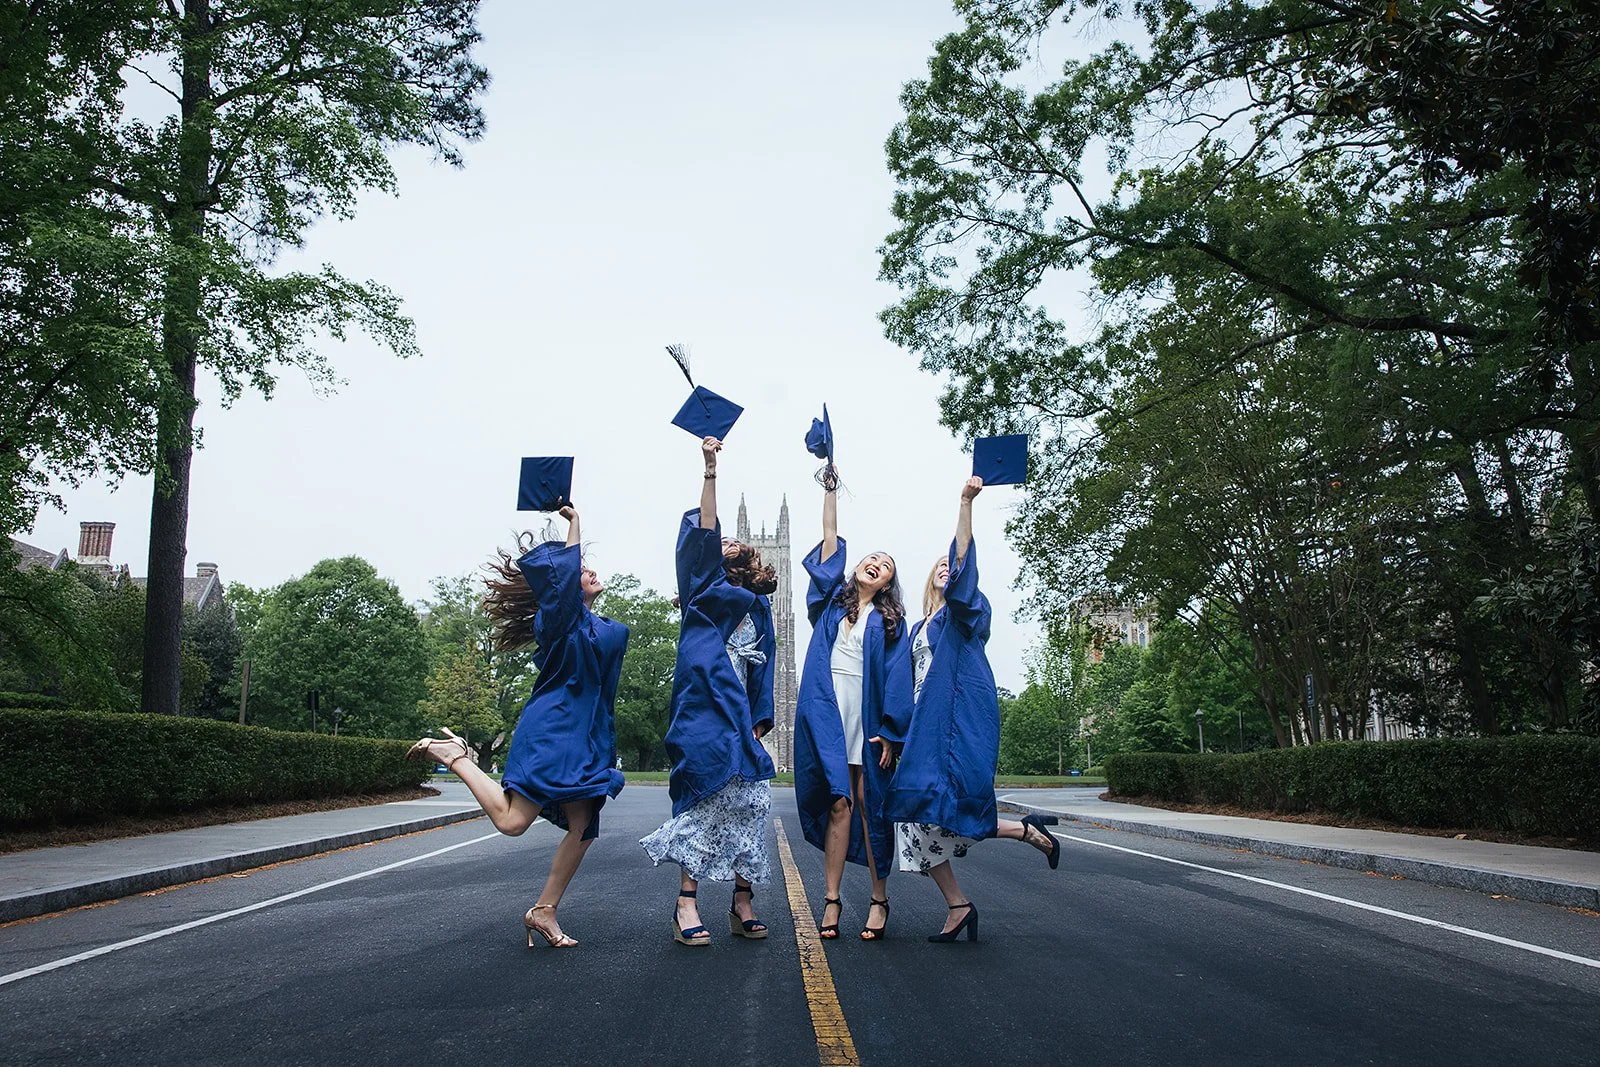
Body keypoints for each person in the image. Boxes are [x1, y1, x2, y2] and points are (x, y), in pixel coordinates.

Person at [407, 505, 628, 949]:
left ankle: (543, 910)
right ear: (563, 585)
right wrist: (574, 524)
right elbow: (562, 586)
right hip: (553, 730)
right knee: (512, 823)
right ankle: (457, 759)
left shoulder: (602, 626)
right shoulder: (557, 621)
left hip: (584, 736)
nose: (591, 571)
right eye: (582, 570)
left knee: (584, 827)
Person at [887, 477, 1061, 943]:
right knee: (916, 819)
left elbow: (963, 572)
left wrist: (964, 503)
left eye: (953, 566)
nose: (948, 568)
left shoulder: (966, 613)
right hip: (923, 731)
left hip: (954, 724)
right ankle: (963, 901)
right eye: (940, 566)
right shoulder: (918, 626)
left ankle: (1014, 842)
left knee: (940, 809)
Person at [640, 436, 779, 946]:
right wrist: (710, 470)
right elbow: (704, 531)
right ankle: (686, 904)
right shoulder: (702, 589)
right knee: (702, 799)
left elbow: (765, 672)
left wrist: (760, 722)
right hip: (703, 712)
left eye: (731, 544)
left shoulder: (758, 606)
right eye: (717, 542)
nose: (723, 543)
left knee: (751, 803)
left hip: (742, 718)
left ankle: (742, 901)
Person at [793, 463, 912, 942]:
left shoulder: (889, 622)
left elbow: (900, 676)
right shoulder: (830, 604)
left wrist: (891, 728)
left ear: (886, 583)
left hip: (867, 712)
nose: (875, 563)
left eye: (885, 565)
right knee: (839, 803)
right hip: (827, 708)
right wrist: (830, 491)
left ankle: (879, 899)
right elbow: (829, 537)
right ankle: (832, 899)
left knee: (869, 803)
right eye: (871, 557)